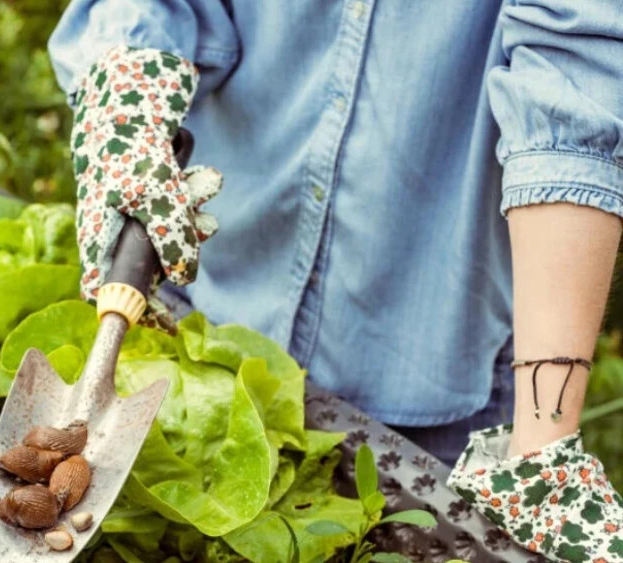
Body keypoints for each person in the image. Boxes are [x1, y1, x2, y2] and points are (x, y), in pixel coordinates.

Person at [48, 1, 623, 559]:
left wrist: (542, 446)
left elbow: (573, 87)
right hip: (206, 318)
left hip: (433, 380)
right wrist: (129, 105)